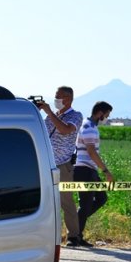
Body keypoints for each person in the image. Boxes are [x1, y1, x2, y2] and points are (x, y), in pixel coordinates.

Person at [36, 86, 83, 246]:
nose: (56, 99)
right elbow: (40, 132)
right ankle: (47, 234)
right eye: (56, 96)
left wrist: (49, 112)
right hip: (46, 164)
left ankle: (73, 236)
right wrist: (37, 113)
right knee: (46, 201)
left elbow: (65, 130)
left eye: (59, 96)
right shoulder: (52, 116)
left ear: (68, 99)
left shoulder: (75, 116)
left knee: (66, 201)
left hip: (63, 164)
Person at [73, 101, 114, 247]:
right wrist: (106, 171)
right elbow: (91, 151)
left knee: (101, 198)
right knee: (86, 204)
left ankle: (76, 225)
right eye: (107, 115)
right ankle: (76, 235)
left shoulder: (90, 125)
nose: (107, 118)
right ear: (100, 113)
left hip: (90, 169)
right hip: (84, 170)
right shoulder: (89, 127)